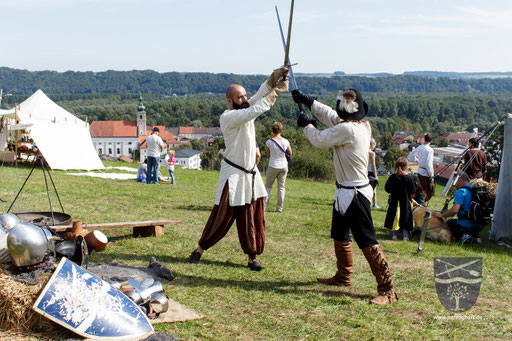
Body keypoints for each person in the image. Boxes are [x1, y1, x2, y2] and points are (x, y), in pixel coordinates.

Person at [292, 88, 398, 305]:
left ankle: (387, 290)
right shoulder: (361, 125)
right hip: (345, 190)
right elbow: (332, 116)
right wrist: (310, 103)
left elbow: (320, 139)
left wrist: (306, 125)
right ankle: (343, 276)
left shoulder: (348, 130)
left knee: (367, 241)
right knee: (340, 235)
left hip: (355, 193)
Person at [188, 67, 289, 271]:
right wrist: (277, 92)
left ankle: (252, 258)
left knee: (252, 216)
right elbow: (256, 108)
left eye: (244, 95)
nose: (244, 99)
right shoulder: (229, 117)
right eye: (239, 97)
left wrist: (274, 77)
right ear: (230, 100)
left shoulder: (244, 109)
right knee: (221, 214)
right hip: (233, 174)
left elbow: (259, 95)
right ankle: (200, 248)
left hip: (250, 174)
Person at [431, 172, 484, 245]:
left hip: (465, 225)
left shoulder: (461, 191)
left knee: (449, 223)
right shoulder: (476, 190)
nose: (454, 185)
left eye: (454, 182)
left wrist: (441, 215)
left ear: (461, 181)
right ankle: (476, 237)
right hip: (479, 225)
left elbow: (454, 210)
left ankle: (462, 237)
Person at [384, 157, 417, 241]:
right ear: (406, 167)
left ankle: (394, 235)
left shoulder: (392, 177)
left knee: (395, 217)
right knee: (405, 218)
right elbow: (413, 190)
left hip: (394, 201)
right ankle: (405, 236)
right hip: (406, 202)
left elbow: (387, 189)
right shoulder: (409, 178)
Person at [264, 122, 292, 213]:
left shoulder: (269, 142)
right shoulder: (285, 141)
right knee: (281, 187)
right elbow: (290, 153)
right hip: (283, 166)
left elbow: (268, 155)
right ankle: (279, 208)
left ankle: (264, 206)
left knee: (268, 186)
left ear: (272, 130)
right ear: (281, 130)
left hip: (273, 165)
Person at [408, 133, 434, 204]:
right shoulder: (430, 150)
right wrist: (431, 175)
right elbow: (429, 164)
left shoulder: (420, 147)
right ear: (431, 140)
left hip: (419, 171)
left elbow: (410, 156)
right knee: (425, 192)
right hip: (426, 173)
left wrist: (418, 160)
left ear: (424, 139)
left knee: (419, 190)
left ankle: (416, 204)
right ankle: (421, 205)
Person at [368, 138, 380, 209]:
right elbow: (373, 165)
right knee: (373, 189)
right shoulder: (372, 153)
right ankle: (374, 203)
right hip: (371, 172)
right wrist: (376, 175)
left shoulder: (363, 152)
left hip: (364, 172)